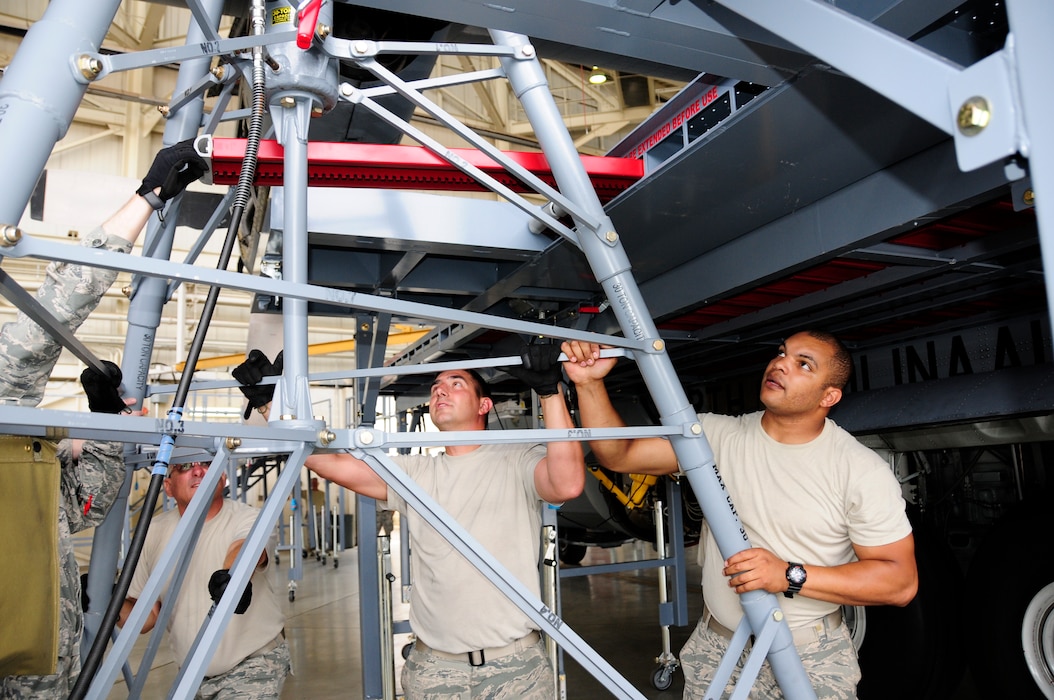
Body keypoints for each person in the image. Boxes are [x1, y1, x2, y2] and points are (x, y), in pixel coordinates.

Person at [560, 331, 918, 699]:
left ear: (829, 396)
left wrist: (789, 575)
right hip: (717, 649)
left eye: (803, 364)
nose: (780, 363)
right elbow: (622, 454)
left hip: (808, 655)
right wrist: (589, 384)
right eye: (782, 353)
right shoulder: (716, 435)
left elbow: (900, 582)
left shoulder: (859, 469)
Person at [0, 140, 205, 699]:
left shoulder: (18, 459)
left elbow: (78, 504)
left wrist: (104, 426)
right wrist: (149, 197)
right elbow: (51, 313)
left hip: (42, 659)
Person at [295, 358, 585, 700]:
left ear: (484, 405)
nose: (440, 390)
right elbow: (332, 463)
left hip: (515, 668)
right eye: (435, 388)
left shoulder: (518, 458)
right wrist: (280, 406)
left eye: (455, 383)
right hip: (434, 671)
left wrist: (551, 393)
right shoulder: (417, 472)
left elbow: (566, 485)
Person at [118, 461, 290, 699]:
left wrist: (232, 576)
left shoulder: (249, 517)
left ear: (222, 478)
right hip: (191, 675)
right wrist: (107, 602)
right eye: (185, 466)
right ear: (168, 487)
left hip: (253, 663)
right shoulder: (153, 533)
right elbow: (146, 619)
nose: (198, 471)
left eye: (207, 464)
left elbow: (247, 548)